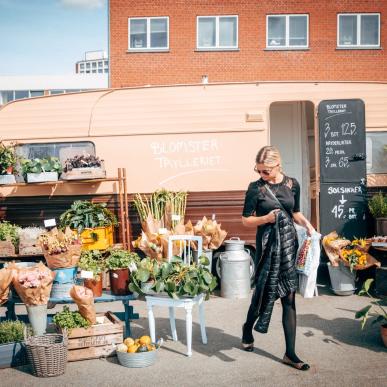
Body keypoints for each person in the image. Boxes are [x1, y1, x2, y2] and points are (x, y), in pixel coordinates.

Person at [241, 145, 314, 371]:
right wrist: (265, 219)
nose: (262, 175)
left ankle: (290, 354)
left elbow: (296, 213)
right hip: (267, 248)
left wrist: (308, 225)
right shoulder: (256, 189)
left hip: (288, 247)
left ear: (278, 165)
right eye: (259, 170)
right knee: (262, 296)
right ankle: (247, 329)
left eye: (266, 171)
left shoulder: (293, 184)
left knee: (289, 298)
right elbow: (245, 220)